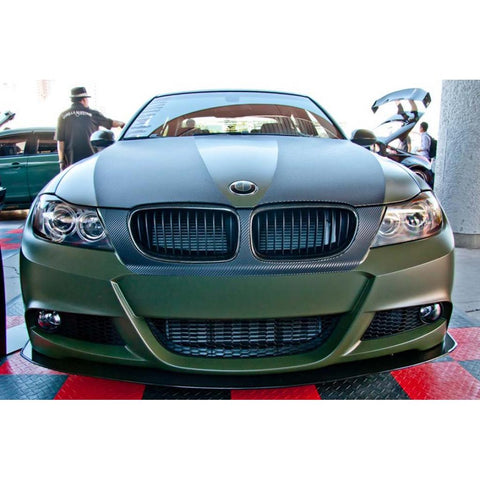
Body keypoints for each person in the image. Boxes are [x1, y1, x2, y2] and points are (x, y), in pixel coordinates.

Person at [56, 87, 125, 170]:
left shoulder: (62, 116)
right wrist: (122, 124)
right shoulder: (93, 114)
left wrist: (61, 162)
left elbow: (60, 141)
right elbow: (110, 123)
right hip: (90, 161)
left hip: (71, 163)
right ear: (84, 100)